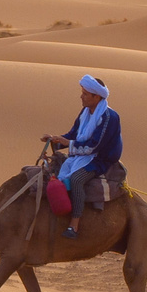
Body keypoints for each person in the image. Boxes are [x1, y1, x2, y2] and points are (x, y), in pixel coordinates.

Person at [45, 74, 122, 239]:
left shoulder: (109, 117)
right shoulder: (85, 112)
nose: (81, 96)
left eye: (85, 94)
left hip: (100, 159)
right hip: (82, 154)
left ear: (96, 96)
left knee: (76, 179)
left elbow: (94, 145)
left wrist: (68, 143)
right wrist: (55, 140)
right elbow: (74, 134)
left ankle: (74, 225)